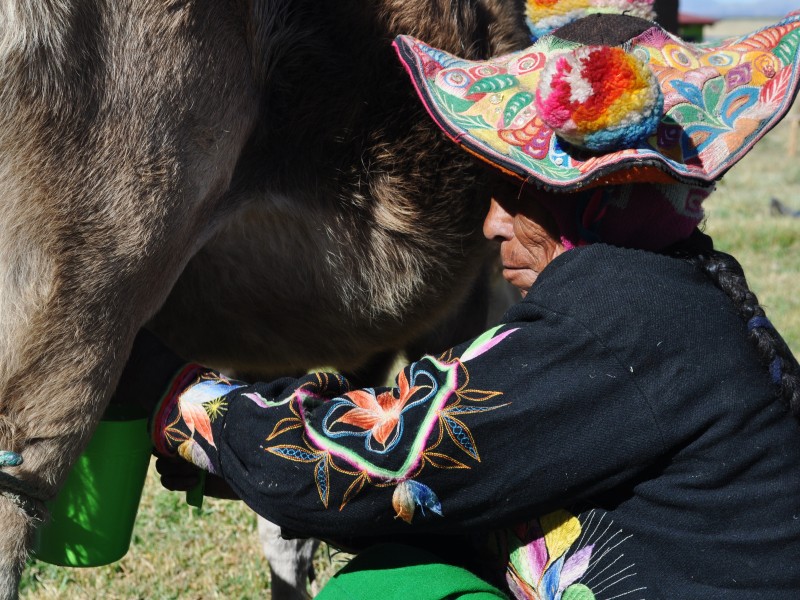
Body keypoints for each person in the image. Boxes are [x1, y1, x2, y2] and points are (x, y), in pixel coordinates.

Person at [113, 9, 800, 599]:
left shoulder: (615, 323)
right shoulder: (676, 290)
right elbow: (470, 468)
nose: (491, 223)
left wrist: (183, 405)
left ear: (596, 201)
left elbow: (382, 461)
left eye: (519, 189)